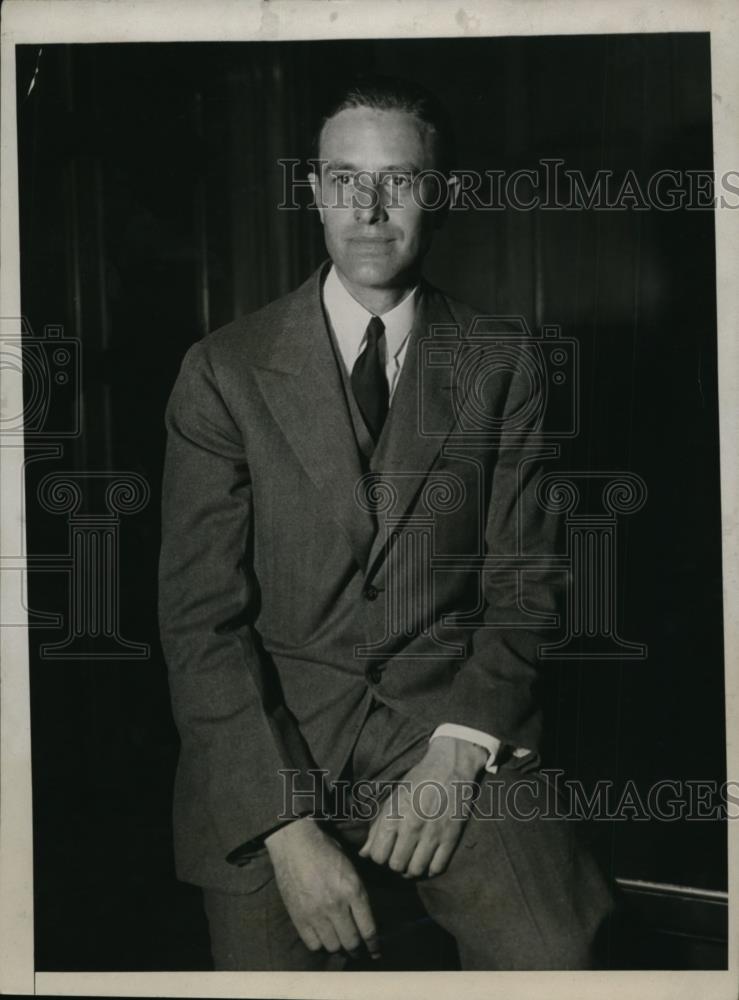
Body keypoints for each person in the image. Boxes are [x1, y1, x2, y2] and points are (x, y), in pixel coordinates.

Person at [158, 74, 613, 971]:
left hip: (446, 725)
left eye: (398, 180)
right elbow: (199, 624)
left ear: (435, 195)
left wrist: (455, 757)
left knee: (558, 954)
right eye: (343, 179)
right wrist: (285, 828)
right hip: (274, 746)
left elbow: (527, 587)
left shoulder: (504, 361)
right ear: (316, 193)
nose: (369, 208)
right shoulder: (223, 371)